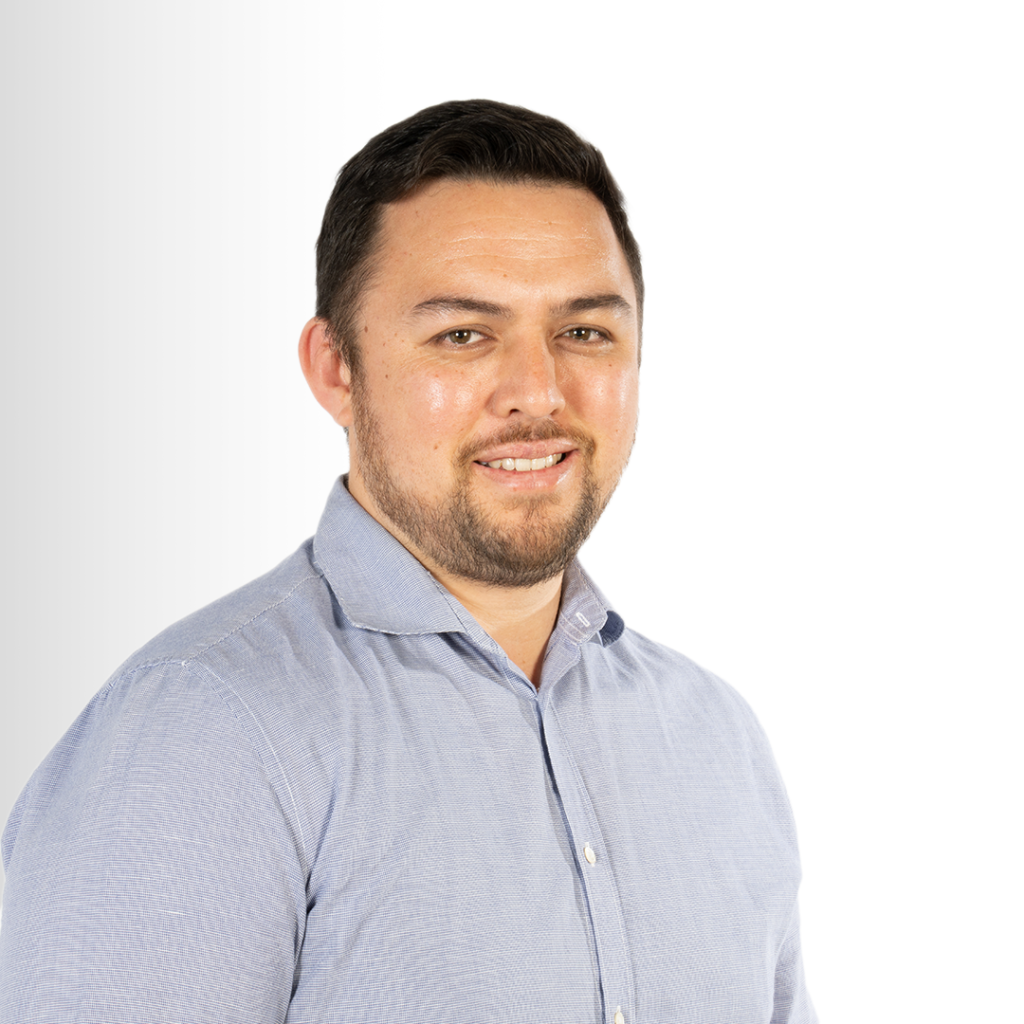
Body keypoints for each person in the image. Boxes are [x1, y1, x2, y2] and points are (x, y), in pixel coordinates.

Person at [0, 99, 816, 1022]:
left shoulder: (717, 742)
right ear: (336, 369)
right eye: (463, 334)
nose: (538, 391)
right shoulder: (202, 735)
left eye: (585, 331)